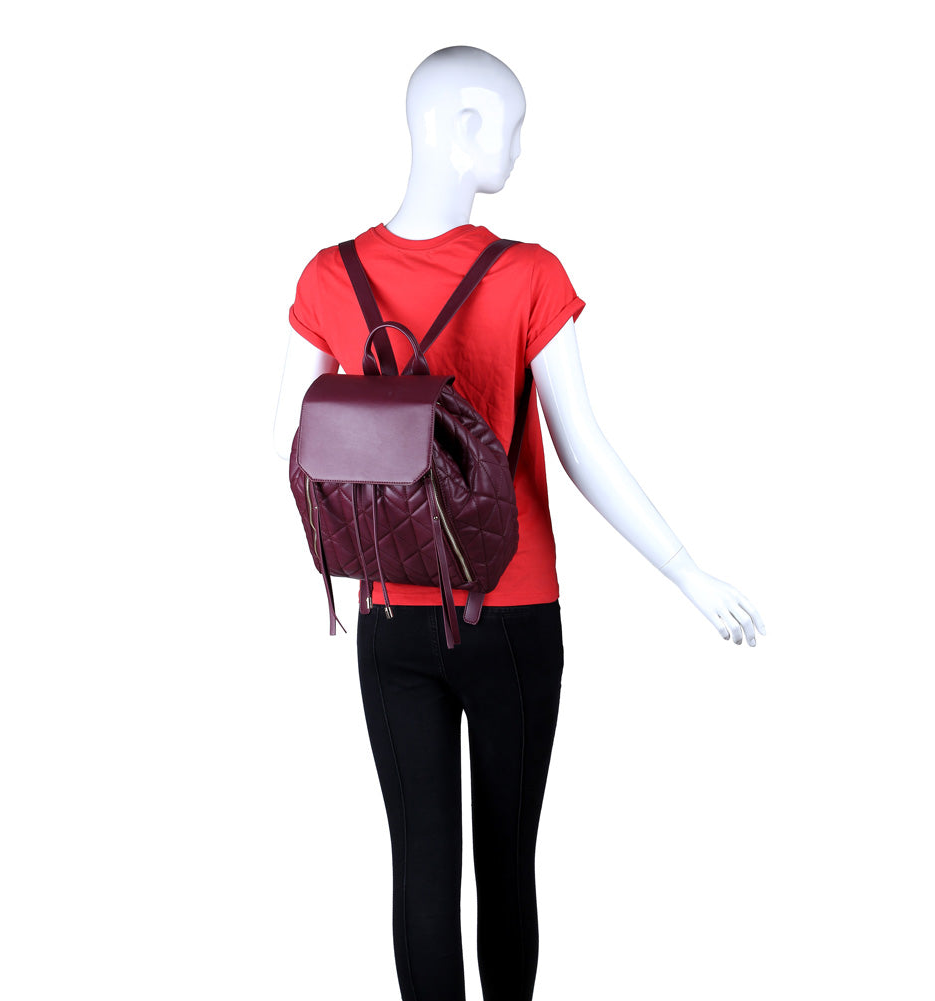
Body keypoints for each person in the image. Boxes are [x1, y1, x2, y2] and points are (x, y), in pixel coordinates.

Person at [274, 45, 765, 1001]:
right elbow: (584, 450)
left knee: (419, 868)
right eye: (514, 124)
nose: (520, 144)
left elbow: (300, 448)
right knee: (506, 860)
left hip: (385, 613)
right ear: (465, 130)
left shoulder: (329, 275)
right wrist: (685, 569)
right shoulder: (527, 273)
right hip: (511, 609)